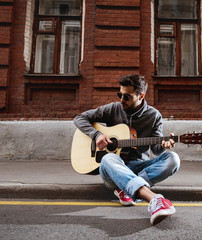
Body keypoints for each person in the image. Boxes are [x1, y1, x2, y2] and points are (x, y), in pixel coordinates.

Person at [73, 74, 180, 225]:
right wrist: (96, 134)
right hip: (114, 170)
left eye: (127, 97)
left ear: (141, 95)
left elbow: (156, 149)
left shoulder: (154, 115)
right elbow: (79, 118)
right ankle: (154, 200)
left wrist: (164, 145)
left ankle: (128, 188)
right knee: (108, 158)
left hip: (139, 166)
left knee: (173, 159)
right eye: (120, 95)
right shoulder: (113, 108)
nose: (121, 100)